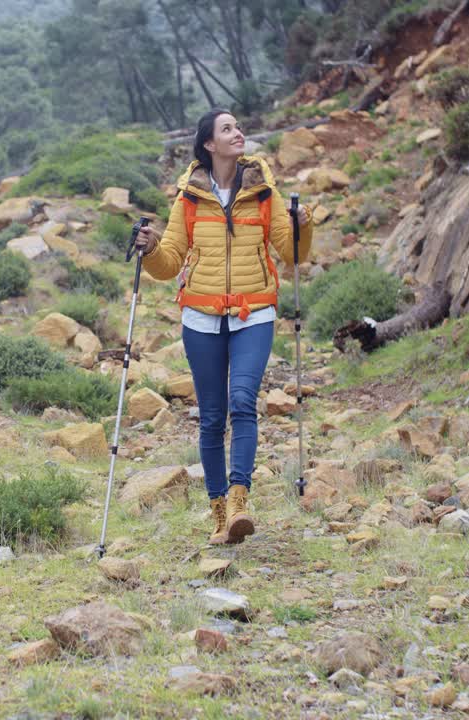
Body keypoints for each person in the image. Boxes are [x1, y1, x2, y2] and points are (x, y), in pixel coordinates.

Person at [133, 108, 312, 545]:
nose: (238, 133)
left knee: (242, 401)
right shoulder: (189, 198)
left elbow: (291, 256)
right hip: (201, 317)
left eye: (238, 127)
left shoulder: (263, 192)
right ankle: (218, 514)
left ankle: (238, 501)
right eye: (227, 129)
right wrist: (152, 248)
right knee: (212, 418)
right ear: (209, 144)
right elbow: (170, 260)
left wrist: (303, 226)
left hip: (255, 313)